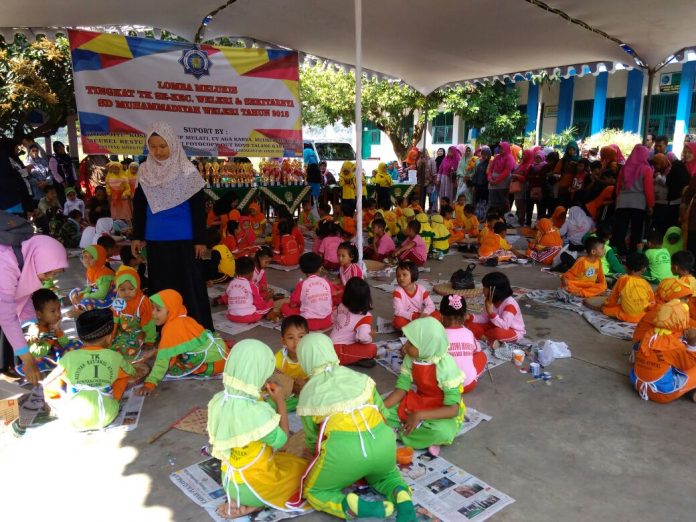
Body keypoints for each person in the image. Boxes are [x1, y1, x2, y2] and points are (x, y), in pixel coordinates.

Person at [291, 333, 415, 520]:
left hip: (344, 454)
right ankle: (402, 497)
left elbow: (312, 441)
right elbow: (384, 414)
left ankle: (350, 506)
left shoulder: (308, 395)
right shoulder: (359, 378)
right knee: (388, 476)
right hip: (382, 442)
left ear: (304, 360)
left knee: (314, 491)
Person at [206, 339, 308, 519]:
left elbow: (240, 414)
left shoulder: (217, 401)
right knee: (301, 469)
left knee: (284, 461)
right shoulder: (258, 413)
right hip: (254, 488)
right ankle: (254, 505)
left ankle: (238, 501)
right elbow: (284, 442)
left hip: (229, 482)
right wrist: (280, 402)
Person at [131, 122, 212, 330]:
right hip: (156, 238)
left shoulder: (186, 170)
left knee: (189, 286)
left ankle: (195, 329)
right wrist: (137, 236)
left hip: (184, 239)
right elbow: (139, 205)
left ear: (173, 144)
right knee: (161, 286)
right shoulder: (145, 170)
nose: (158, 151)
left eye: (162, 146)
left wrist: (200, 240)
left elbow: (198, 208)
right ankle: (165, 330)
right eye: (153, 146)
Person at [41, 309, 136, 431]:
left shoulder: (68, 357)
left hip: (73, 419)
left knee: (63, 380)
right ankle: (113, 400)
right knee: (123, 376)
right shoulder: (115, 357)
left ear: (80, 339)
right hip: (105, 416)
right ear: (109, 338)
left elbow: (48, 384)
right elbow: (131, 372)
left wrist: (57, 402)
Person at [383, 317, 465, 452]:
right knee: (384, 410)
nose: (405, 346)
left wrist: (419, 415)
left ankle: (400, 432)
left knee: (442, 432)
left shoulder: (446, 367)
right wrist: (379, 408)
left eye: (411, 343)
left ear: (427, 345)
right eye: (407, 341)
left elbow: (452, 410)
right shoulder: (411, 358)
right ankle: (417, 435)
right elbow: (401, 390)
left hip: (442, 409)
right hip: (421, 400)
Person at [136, 290, 228, 395]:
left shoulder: (171, 328)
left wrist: (150, 383)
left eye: (158, 309)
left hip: (215, 362)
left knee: (175, 366)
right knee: (175, 358)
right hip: (220, 350)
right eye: (152, 308)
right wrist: (157, 352)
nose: (153, 313)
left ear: (171, 310)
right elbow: (176, 346)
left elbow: (162, 361)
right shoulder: (184, 318)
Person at [630, 300, 696, 403]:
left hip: (637, 384)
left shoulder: (649, 334)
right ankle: (688, 392)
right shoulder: (674, 345)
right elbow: (689, 364)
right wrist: (692, 344)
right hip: (660, 393)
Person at [15, 289, 80, 377]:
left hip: (57, 355)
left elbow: (65, 343)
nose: (58, 314)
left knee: (76, 343)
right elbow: (37, 353)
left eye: (59, 309)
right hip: (43, 361)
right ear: (38, 314)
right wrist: (51, 334)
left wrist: (58, 332)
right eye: (53, 311)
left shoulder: (50, 324)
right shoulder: (35, 330)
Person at [612, 144, 654, 255]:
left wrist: (617, 200)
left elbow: (618, 187)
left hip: (622, 202)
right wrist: (650, 205)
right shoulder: (646, 169)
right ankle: (633, 254)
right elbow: (648, 189)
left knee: (621, 229)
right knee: (636, 230)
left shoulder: (624, 168)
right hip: (639, 204)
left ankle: (618, 252)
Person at [441, 294, 486, 393]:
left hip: (444, 387)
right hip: (468, 385)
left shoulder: (438, 334)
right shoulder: (469, 333)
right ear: (464, 316)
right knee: (482, 355)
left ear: (442, 316)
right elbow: (477, 350)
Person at [110, 266, 156, 362]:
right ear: (117, 289)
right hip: (122, 332)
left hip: (138, 334)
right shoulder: (118, 301)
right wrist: (112, 334)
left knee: (126, 349)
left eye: (131, 289)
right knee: (109, 346)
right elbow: (115, 320)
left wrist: (149, 340)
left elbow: (149, 323)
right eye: (122, 290)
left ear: (137, 287)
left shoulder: (142, 302)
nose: (127, 293)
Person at [330, 277, 376, 367]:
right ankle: (353, 360)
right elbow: (363, 338)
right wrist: (370, 336)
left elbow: (333, 318)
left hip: (330, 344)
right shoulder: (365, 317)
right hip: (338, 351)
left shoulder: (342, 305)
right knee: (372, 349)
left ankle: (353, 358)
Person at [467, 272, 525, 342]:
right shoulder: (489, 300)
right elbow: (484, 318)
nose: (483, 290)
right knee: (467, 323)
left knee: (497, 333)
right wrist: (470, 317)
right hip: (492, 326)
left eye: (485, 287)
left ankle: (482, 336)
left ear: (494, 290)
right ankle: (484, 337)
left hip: (511, 330)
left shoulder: (510, 304)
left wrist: (491, 313)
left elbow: (505, 326)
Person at [280, 253, 332, 331]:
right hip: (327, 321)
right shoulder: (326, 281)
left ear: (301, 269)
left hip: (307, 323)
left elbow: (293, 304)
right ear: (320, 268)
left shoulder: (302, 284)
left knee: (285, 307)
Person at [602, 253, 654, 323]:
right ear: (644, 269)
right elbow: (652, 301)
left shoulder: (623, 279)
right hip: (642, 316)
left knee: (606, 309)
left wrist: (606, 304)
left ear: (626, 267)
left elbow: (613, 297)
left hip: (628, 316)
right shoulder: (646, 283)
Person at [275, 315, 309, 412]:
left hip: (308, 392)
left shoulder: (311, 356)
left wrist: (306, 384)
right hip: (289, 395)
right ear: (283, 341)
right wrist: (292, 386)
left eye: (301, 337)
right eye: (291, 338)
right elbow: (274, 378)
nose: (296, 341)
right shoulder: (278, 358)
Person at [226, 257, 274, 324]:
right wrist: (268, 297)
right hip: (249, 317)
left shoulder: (231, 283)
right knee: (270, 302)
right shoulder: (251, 286)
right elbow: (260, 306)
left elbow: (228, 296)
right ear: (251, 273)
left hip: (231, 316)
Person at [392, 260, 438, 330]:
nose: (401, 278)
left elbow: (431, 305)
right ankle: (421, 328)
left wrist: (425, 313)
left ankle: (415, 329)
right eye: (398, 276)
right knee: (398, 321)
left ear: (413, 274)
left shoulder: (421, 289)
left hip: (421, 316)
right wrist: (413, 316)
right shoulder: (398, 291)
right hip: (408, 318)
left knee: (437, 314)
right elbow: (398, 311)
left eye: (404, 275)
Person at [69, 245, 115, 311]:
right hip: (95, 292)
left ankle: (81, 307)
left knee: (86, 301)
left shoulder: (105, 274)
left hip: (107, 298)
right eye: (85, 256)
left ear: (99, 259)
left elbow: (102, 294)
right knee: (74, 292)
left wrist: (84, 296)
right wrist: (82, 293)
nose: (87, 259)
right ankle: (81, 306)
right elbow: (91, 287)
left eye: (92, 257)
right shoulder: (90, 270)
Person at [0, 137, 33, 214]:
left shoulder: (13, 158)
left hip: (22, 195)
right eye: (16, 147)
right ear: (9, 147)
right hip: (11, 200)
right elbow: (8, 176)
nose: (18, 149)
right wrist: (25, 171)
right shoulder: (3, 159)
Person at [487, 142, 515, 211]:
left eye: (502, 148)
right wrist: (490, 179)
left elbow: (506, 172)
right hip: (493, 184)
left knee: (503, 203)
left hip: (503, 184)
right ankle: (493, 216)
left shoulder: (509, 158)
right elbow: (490, 169)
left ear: (506, 148)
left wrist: (496, 181)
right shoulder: (497, 157)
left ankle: (503, 216)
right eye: (499, 148)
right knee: (492, 202)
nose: (500, 150)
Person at [554, 141, 581, 207]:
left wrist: (577, 165)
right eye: (570, 149)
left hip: (575, 189)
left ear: (576, 150)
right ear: (567, 150)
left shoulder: (579, 161)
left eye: (573, 150)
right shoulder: (563, 160)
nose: (571, 151)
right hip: (563, 188)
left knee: (573, 209)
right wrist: (559, 177)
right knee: (562, 207)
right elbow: (556, 172)